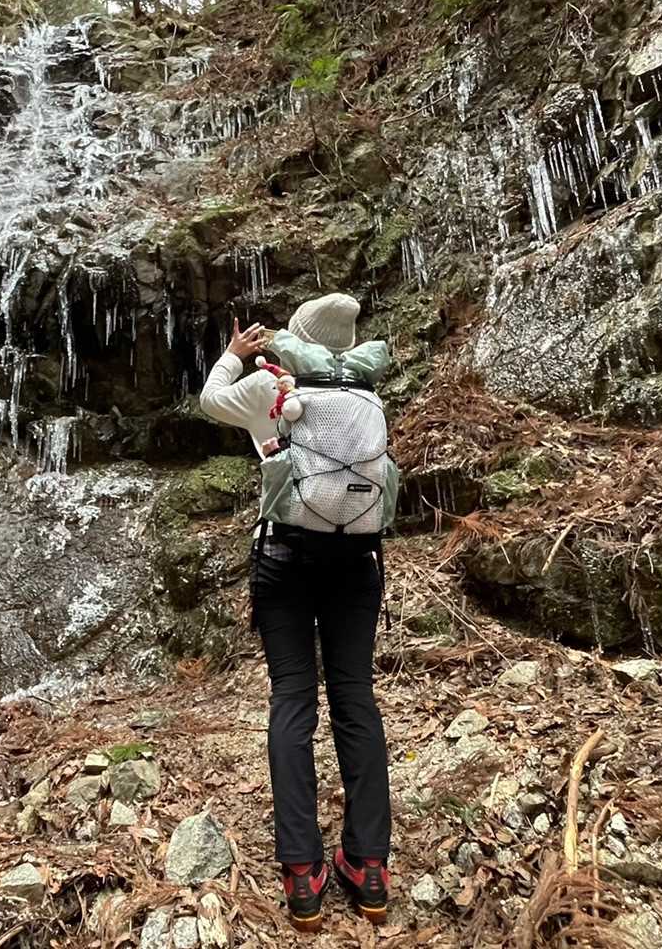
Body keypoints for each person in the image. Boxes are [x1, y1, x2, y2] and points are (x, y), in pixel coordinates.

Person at [198, 292, 392, 931]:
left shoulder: (269, 387)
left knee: (292, 699)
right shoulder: (365, 395)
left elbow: (209, 400)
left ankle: (302, 873)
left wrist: (234, 354)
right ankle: (369, 868)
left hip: (284, 558)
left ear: (298, 339)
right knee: (354, 697)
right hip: (356, 560)